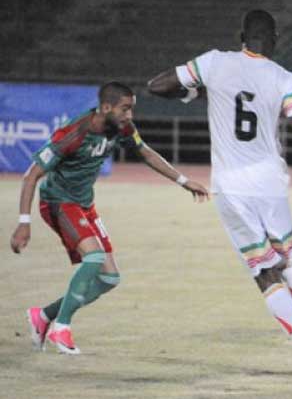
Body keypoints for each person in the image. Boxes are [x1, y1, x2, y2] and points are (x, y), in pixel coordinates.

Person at [147, 9, 292, 395]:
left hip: (232, 188)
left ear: (241, 35)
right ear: (274, 40)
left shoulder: (214, 63)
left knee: (265, 274)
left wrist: (195, 90)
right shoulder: (284, 78)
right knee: (291, 261)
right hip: (270, 184)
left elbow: (157, 86)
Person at [10, 82, 210, 355]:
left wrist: (184, 181)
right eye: (125, 109)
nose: (129, 116)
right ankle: (62, 328)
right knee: (93, 258)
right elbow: (31, 174)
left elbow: (146, 153)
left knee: (109, 278)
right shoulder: (74, 133)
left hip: (83, 205)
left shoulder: (123, 128)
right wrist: (24, 222)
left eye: (131, 109)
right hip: (57, 202)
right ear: (106, 108)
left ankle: (44, 316)